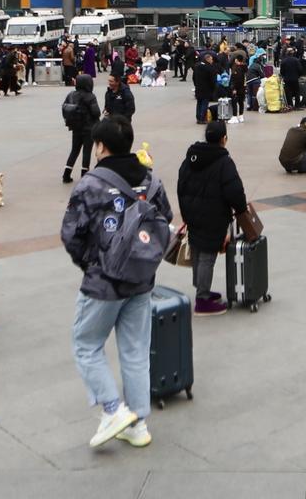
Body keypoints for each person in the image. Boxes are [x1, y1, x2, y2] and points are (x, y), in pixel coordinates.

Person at [63, 118, 172, 449]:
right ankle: (138, 423)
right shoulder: (151, 181)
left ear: (100, 146)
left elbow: (71, 234)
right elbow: (164, 221)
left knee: (86, 343)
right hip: (142, 279)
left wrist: (92, 263)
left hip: (104, 284)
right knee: (136, 350)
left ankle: (112, 409)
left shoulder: (91, 185)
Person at [178, 118, 249, 316]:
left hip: (192, 214)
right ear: (224, 139)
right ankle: (202, 300)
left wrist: (185, 212)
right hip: (213, 216)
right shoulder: (223, 162)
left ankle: (203, 290)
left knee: (198, 250)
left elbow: (180, 185)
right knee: (207, 255)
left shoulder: (190, 158)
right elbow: (234, 190)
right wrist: (241, 209)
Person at [61, 75, 102, 183]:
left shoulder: (71, 95)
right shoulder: (90, 96)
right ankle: (84, 175)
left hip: (75, 127)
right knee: (86, 151)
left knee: (74, 150)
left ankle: (66, 174)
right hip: (89, 128)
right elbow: (96, 112)